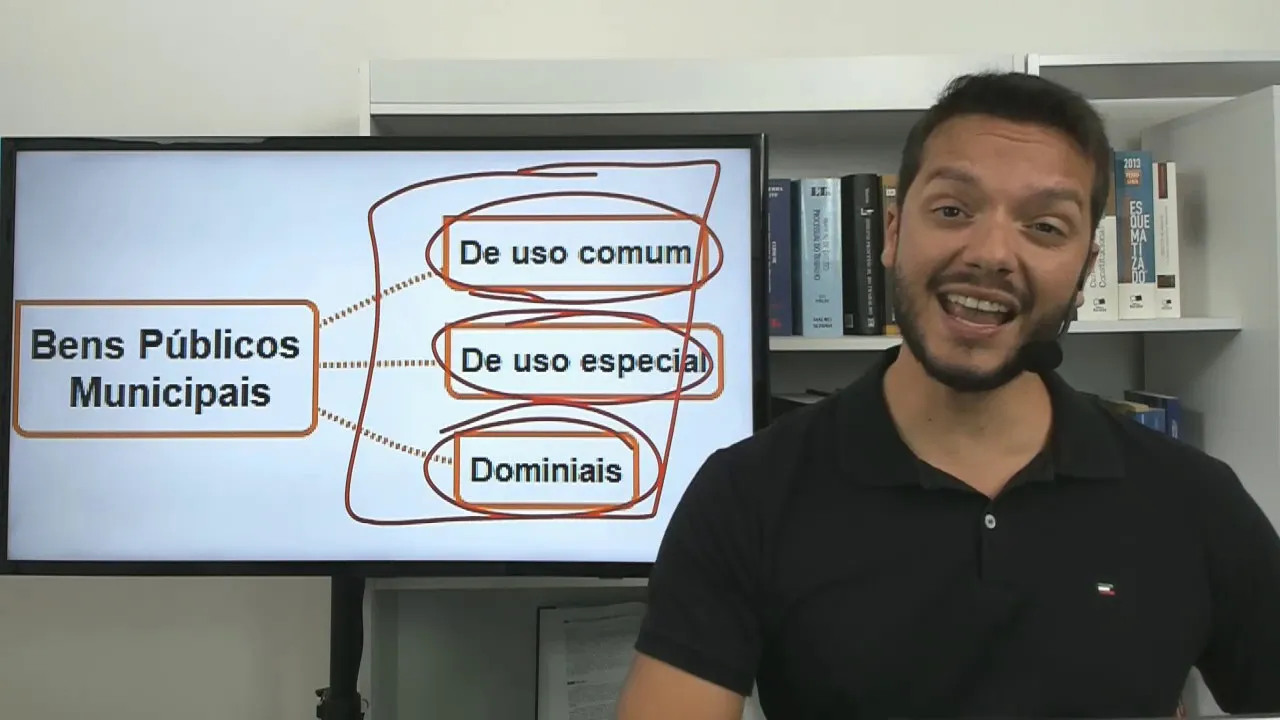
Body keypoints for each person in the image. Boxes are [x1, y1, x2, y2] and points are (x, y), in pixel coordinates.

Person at [616, 71, 1280, 719]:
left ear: (1085, 271)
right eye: (953, 211)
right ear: (892, 234)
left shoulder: (1195, 500)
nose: (991, 254)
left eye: (1045, 227)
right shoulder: (747, 494)